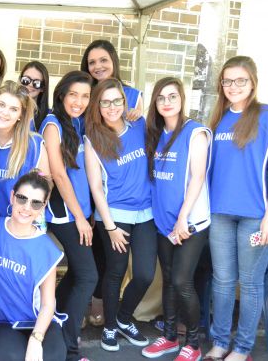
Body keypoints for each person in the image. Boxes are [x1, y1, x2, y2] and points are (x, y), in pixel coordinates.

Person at [204, 56, 268, 361]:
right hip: (220, 213)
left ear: (253, 82)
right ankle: (220, 342)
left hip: (256, 215)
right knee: (223, 281)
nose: (233, 86)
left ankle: (242, 347)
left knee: (250, 283)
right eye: (227, 81)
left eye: (240, 80)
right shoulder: (218, 119)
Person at [142, 77, 211, 361]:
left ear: (182, 99)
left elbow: (198, 177)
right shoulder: (155, 134)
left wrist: (183, 218)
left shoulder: (195, 133)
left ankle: (193, 344)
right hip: (164, 222)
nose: (167, 102)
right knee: (169, 279)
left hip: (190, 222)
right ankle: (170, 337)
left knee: (182, 281)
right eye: (161, 98)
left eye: (172, 96)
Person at [84, 78, 156, 352]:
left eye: (117, 101)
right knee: (115, 272)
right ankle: (110, 326)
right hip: (114, 214)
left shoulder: (140, 126)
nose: (112, 106)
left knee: (145, 274)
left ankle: (124, 318)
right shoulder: (93, 138)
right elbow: (95, 187)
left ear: (125, 103)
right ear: (98, 106)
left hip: (146, 212)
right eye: (105, 102)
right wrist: (111, 227)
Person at [41, 70, 97, 361]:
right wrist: (79, 218)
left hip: (81, 211)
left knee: (78, 272)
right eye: (73, 94)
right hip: (64, 214)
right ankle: (70, 350)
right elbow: (59, 175)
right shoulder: (53, 124)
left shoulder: (78, 122)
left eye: (85, 96)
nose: (79, 101)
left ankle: (53, 320)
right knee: (88, 276)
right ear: (61, 94)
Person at [0, 171, 67, 361]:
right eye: (22, 198)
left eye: (36, 203)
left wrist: (36, 339)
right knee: (13, 357)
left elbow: (48, 304)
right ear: (12, 197)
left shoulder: (47, 248)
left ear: (43, 207)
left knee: (53, 356)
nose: (26, 208)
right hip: (1, 321)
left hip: (36, 320)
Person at [0, 80, 49, 218]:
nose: (5, 113)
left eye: (14, 109)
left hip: (21, 221)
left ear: (21, 115)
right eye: (1, 105)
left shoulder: (35, 144)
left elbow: (45, 186)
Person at [81, 39, 143, 120]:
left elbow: (138, 125)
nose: (98, 66)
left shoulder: (133, 96)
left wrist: (136, 114)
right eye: (92, 62)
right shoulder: (84, 94)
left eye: (103, 60)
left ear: (113, 61)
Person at [19, 60, 50, 131]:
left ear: (43, 88)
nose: (30, 85)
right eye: (26, 80)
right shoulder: (8, 108)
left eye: (37, 82)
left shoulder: (48, 117)